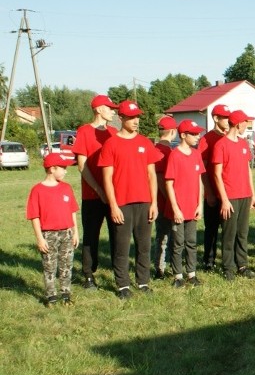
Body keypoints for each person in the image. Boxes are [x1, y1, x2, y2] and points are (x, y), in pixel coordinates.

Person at [99, 100, 163, 299]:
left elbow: (152, 175)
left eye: (137, 117)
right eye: (131, 117)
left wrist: (154, 203)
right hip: (122, 204)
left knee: (144, 246)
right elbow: (107, 178)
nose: (136, 121)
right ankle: (122, 285)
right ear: (121, 118)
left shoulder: (145, 142)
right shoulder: (111, 144)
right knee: (122, 247)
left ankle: (143, 282)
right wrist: (113, 206)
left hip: (144, 202)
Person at [72, 94, 118, 291]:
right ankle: (89, 275)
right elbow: (82, 166)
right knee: (91, 236)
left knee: (118, 234)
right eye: (109, 108)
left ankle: (119, 272)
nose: (113, 111)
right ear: (99, 109)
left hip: (114, 195)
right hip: (92, 195)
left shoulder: (114, 132)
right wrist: (99, 190)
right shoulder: (84, 131)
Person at [212, 110, 255, 280]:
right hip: (230, 196)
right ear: (238, 123)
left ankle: (242, 264)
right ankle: (228, 267)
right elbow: (217, 174)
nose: (247, 125)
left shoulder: (243, 143)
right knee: (229, 232)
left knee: (242, 232)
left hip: (245, 194)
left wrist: (253, 195)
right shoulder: (221, 144)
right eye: (246, 122)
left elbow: (248, 170)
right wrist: (224, 199)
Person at [27, 153, 79, 306]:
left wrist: (75, 232)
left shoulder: (66, 188)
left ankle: (65, 293)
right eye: (63, 168)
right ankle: (51, 296)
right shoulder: (37, 190)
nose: (66, 171)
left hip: (67, 233)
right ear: (52, 169)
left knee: (66, 265)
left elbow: (72, 211)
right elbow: (34, 216)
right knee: (50, 267)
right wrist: (40, 238)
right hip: (48, 234)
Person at [164, 120, 205, 288]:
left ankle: (191, 273)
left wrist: (199, 204)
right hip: (178, 209)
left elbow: (199, 180)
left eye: (198, 133)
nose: (197, 136)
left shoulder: (196, 154)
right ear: (183, 135)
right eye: (194, 134)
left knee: (191, 241)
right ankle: (178, 275)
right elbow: (169, 183)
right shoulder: (174, 155)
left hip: (192, 207)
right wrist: (175, 208)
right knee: (177, 243)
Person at [198, 104, 231, 271]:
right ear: (216, 118)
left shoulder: (229, 138)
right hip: (213, 191)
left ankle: (227, 259)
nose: (228, 119)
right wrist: (209, 192)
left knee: (228, 228)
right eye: (225, 117)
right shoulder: (207, 139)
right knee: (211, 229)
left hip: (229, 191)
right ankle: (209, 261)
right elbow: (202, 169)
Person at [152, 116, 177, 280]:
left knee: (163, 235)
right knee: (168, 236)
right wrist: (170, 199)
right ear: (173, 132)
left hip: (158, 200)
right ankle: (161, 268)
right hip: (164, 201)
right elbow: (160, 178)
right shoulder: (165, 152)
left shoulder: (153, 148)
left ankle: (163, 266)